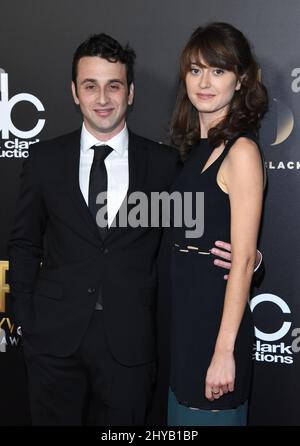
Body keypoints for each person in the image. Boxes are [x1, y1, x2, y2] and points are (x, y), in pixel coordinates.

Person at [8, 32, 237, 426]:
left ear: (130, 93)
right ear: (74, 92)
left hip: (129, 344)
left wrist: (252, 260)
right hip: (53, 341)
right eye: (90, 86)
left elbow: (192, 235)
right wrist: (26, 319)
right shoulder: (45, 159)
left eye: (113, 86)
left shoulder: (164, 164)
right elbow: (24, 242)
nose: (102, 98)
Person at [167, 22, 268, 426]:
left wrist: (223, 351)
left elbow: (242, 260)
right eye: (195, 70)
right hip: (182, 324)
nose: (204, 82)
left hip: (215, 329)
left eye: (218, 70)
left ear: (241, 79)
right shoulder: (197, 151)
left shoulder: (241, 152)